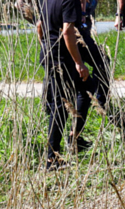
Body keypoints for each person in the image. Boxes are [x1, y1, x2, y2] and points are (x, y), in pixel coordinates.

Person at [37, 0, 98, 167]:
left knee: (87, 88)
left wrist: (46, 46)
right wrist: (79, 62)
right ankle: (52, 158)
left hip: (50, 53)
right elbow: (67, 32)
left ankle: (75, 137)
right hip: (62, 59)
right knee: (60, 107)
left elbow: (39, 26)